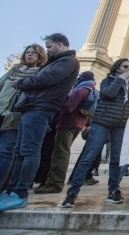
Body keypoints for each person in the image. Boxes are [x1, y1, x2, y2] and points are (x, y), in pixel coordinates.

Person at [0, 34, 79, 212]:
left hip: (40, 108)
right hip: (32, 108)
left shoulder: (67, 62)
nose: (48, 50)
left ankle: (20, 193)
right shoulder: (56, 62)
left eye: (49, 46)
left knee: (29, 151)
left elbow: (45, 79)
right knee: (20, 152)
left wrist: (22, 83)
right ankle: (11, 190)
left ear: (60, 45)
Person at [61, 58, 129, 208]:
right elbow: (108, 94)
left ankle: (114, 191)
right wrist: (120, 80)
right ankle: (72, 193)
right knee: (88, 157)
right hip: (101, 124)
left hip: (120, 126)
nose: (128, 69)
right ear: (117, 69)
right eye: (125, 67)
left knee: (116, 160)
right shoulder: (107, 81)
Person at [34, 71, 98, 194]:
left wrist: (61, 98)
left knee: (60, 152)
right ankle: (52, 180)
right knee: (62, 151)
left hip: (68, 123)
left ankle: (55, 183)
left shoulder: (80, 90)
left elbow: (69, 107)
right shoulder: (92, 91)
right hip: (79, 124)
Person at [0, 44, 47, 195]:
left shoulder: (40, 75)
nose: (29, 55)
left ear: (40, 57)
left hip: (15, 116)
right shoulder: (13, 70)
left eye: (34, 53)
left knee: (6, 152)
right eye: (27, 52)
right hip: (1, 110)